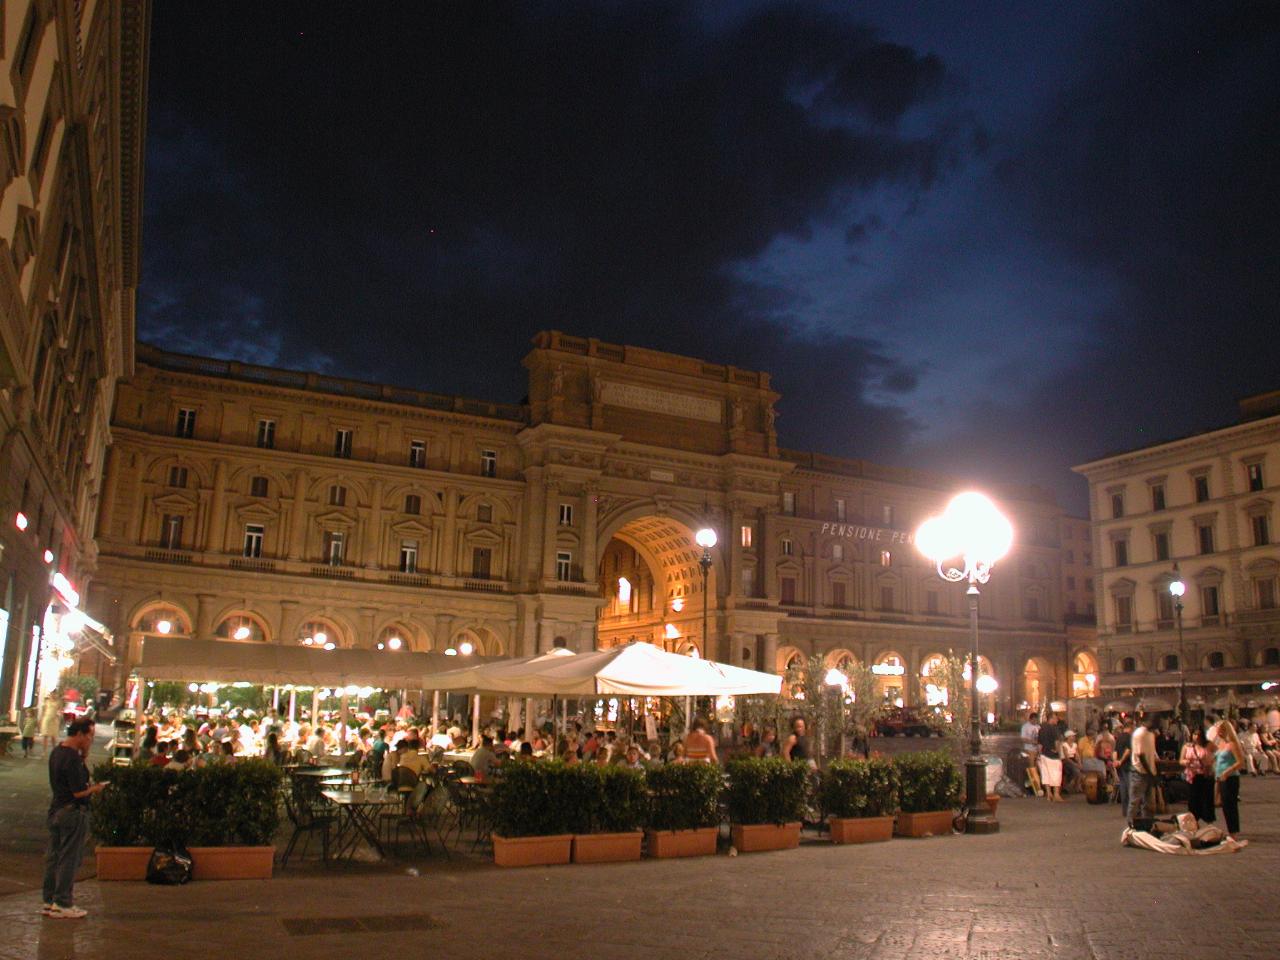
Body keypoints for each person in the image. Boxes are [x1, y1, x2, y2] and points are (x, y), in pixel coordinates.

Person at [43, 718, 106, 919]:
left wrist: (84, 756)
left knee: (54, 856)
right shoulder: (72, 758)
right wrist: (96, 788)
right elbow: (79, 791)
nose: (90, 740)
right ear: (79, 734)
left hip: (57, 809)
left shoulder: (57, 752)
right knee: (69, 858)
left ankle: (49, 899)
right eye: (89, 736)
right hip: (72, 812)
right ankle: (63, 902)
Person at [1213, 719, 1245, 840]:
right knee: (1224, 806)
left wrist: (1227, 771)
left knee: (1230, 805)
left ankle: (1233, 832)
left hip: (1231, 778)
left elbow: (1240, 762)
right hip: (1221, 777)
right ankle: (1230, 829)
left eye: (1220, 731)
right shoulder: (1221, 744)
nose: (1218, 733)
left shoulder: (1233, 744)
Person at [1127, 713, 1158, 825]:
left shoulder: (1151, 734)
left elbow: (1152, 752)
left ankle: (1148, 825)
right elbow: (1140, 755)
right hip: (1139, 771)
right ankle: (1131, 826)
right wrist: (1150, 772)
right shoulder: (1139, 734)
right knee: (1135, 802)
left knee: (1150, 804)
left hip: (1150, 771)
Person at [1180, 727, 1215, 825]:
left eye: (1198, 735)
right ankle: (1194, 822)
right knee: (1193, 800)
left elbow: (1217, 754)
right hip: (1193, 776)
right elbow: (1181, 760)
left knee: (1207, 799)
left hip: (1205, 775)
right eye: (1194, 734)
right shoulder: (1187, 746)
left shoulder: (1208, 745)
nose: (1196, 737)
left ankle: (1209, 822)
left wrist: (1211, 762)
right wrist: (1186, 762)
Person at [1037, 715, 1064, 802]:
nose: (1057, 720)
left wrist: (1040, 753)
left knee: (1046, 775)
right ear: (1051, 719)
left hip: (1044, 754)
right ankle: (1056, 794)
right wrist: (1057, 751)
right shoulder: (1054, 728)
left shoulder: (1042, 729)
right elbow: (1057, 741)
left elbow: (1039, 743)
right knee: (1056, 774)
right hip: (1052, 755)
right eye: (1056, 718)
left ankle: (1049, 794)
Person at [1113, 718, 1133, 812]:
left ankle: (1124, 809)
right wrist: (1121, 760)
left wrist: (1115, 761)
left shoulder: (1119, 737)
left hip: (1120, 766)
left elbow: (1115, 751)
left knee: (1123, 786)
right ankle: (1130, 809)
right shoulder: (1129, 737)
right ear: (1130, 727)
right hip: (1127, 764)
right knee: (1129, 787)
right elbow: (1128, 751)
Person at [1060, 730, 1083, 794]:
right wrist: (1076, 765)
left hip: (1073, 759)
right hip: (1066, 760)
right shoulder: (1064, 745)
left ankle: (1077, 786)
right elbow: (1067, 757)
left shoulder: (1075, 744)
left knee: (1079, 770)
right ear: (1068, 737)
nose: (1074, 737)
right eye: (1072, 736)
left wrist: (1079, 763)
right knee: (1076, 771)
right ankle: (1073, 786)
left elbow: (1077, 755)